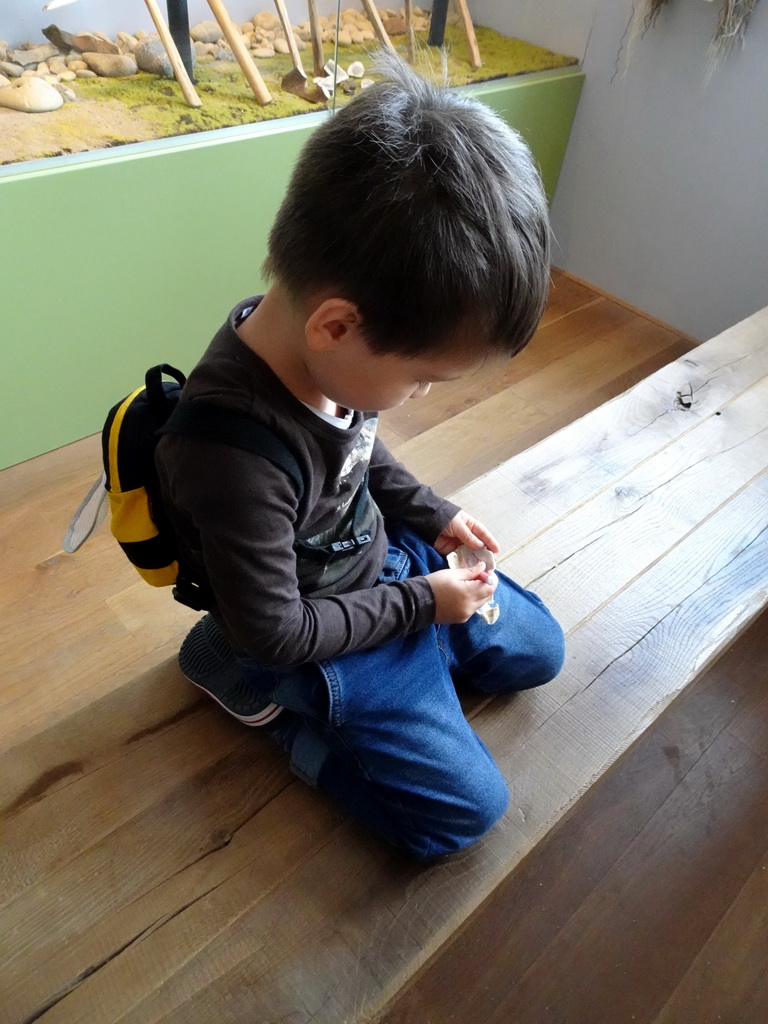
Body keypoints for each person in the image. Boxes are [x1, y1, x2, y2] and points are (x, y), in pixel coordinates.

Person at [155, 55, 565, 862]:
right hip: (311, 636)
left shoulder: (317, 353)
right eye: (422, 377)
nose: (420, 396)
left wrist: (433, 514)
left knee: (541, 650)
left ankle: (423, 662)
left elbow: (358, 456)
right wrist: (423, 604)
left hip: (380, 570)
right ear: (337, 326)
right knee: (463, 817)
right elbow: (279, 630)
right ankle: (265, 703)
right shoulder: (231, 459)